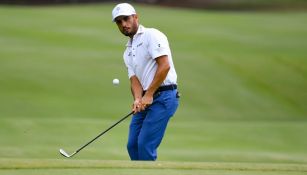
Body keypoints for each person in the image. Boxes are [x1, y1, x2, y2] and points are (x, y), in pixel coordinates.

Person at [112, 3, 179, 161]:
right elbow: (134, 79)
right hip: (145, 98)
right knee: (133, 145)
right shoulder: (127, 51)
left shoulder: (152, 35)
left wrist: (148, 94)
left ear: (136, 17)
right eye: (119, 22)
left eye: (126, 19)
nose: (124, 24)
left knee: (145, 145)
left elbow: (164, 66)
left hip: (164, 96)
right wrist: (137, 98)